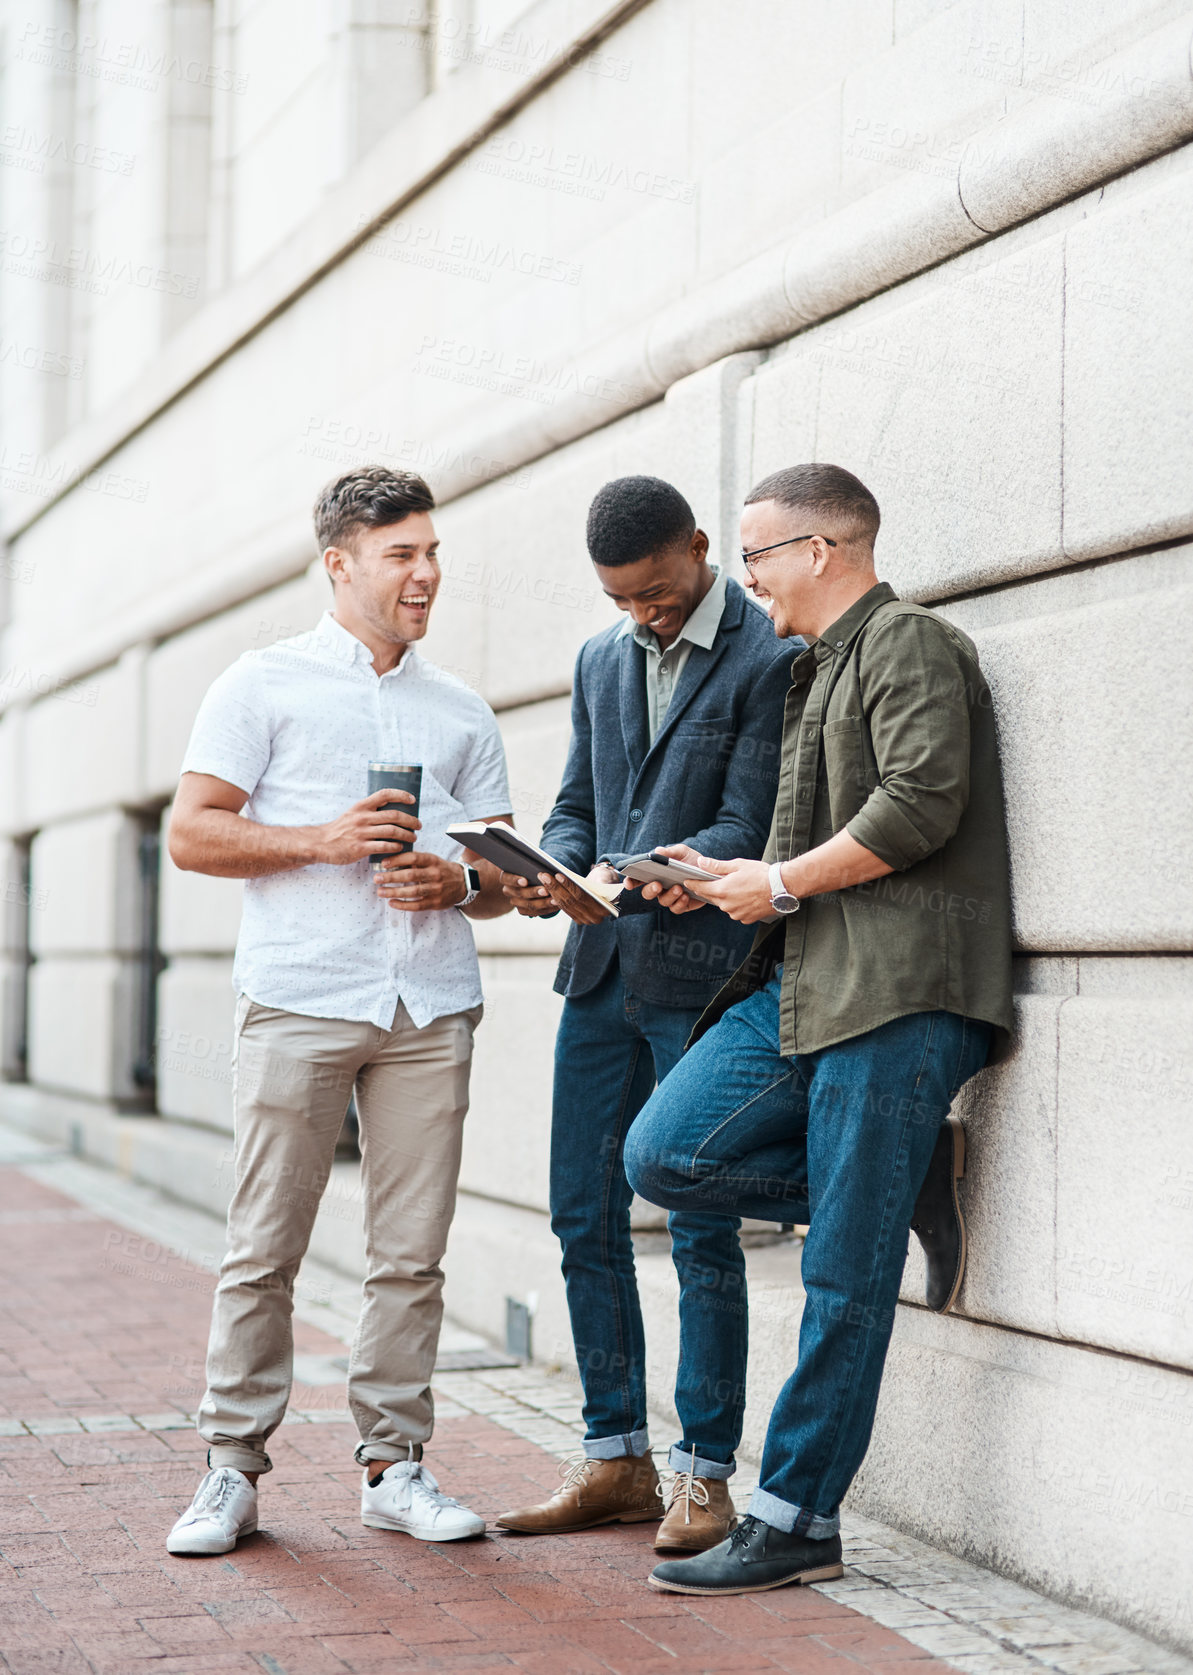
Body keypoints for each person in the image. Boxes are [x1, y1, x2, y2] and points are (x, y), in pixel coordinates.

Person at [624, 463, 1013, 1596]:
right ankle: (901, 1178)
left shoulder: (910, 646)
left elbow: (919, 800)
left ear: (820, 551)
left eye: (753, 556)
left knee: (843, 1269)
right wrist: (728, 878)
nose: (743, 581)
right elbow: (801, 854)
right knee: (666, 1152)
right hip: (805, 983)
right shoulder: (811, 671)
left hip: (896, 988)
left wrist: (782, 881)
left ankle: (794, 1518)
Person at [164, 467, 513, 1556]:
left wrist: (459, 883)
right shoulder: (259, 685)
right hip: (302, 997)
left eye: (431, 551)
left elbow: (503, 865)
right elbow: (190, 832)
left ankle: (392, 1466)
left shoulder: (458, 708)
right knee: (263, 1244)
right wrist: (319, 840)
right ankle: (230, 1469)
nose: (426, 573)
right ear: (341, 564)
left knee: (410, 1253)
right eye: (402, 553)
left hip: (429, 1003)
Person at [495, 476, 795, 1553]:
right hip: (598, 970)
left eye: (657, 593)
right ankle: (613, 1456)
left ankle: (703, 1475)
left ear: (701, 551)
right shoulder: (596, 659)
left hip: (704, 977)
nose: (642, 615)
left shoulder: (769, 654)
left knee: (698, 1223)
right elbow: (582, 801)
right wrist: (551, 865)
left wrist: (687, 866)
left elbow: (751, 815)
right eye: (621, 599)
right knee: (581, 1215)